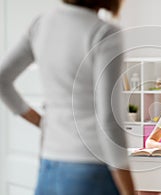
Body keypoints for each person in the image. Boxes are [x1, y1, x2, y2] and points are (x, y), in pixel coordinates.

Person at [0, 0, 135, 195]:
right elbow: (108, 118)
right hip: (91, 169)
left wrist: (41, 122)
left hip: (49, 166)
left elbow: (2, 78)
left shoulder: (40, 24)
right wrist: (128, 188)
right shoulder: (104, 32)